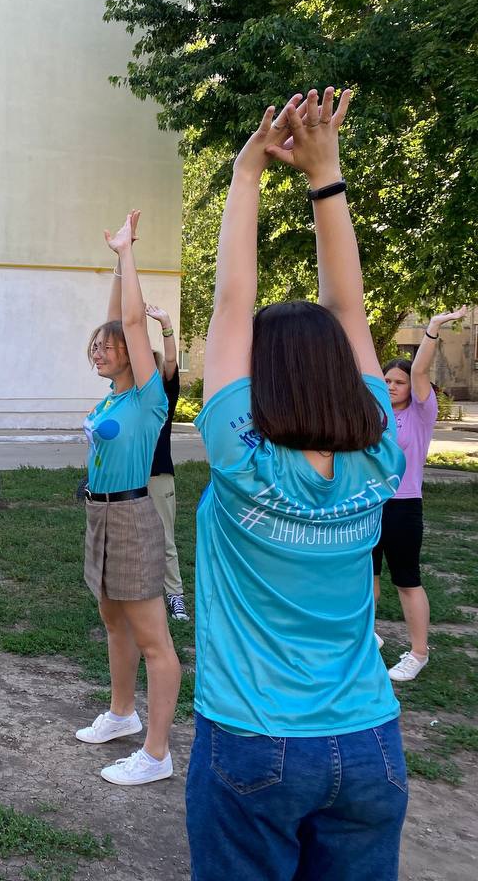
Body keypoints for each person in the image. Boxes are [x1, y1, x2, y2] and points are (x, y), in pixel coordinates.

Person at [186, 88, 408, 880]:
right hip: (370, 743)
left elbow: (231, 300)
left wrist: (247, 173)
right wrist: (327, 175)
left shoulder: (243, 460)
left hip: (256, 742)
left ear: (261, 383)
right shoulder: (381, 453)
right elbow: (348, 305)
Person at [75, 210, 181, 786]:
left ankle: (158, 753)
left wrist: (127, 253)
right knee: (112, 617)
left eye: (106, 345)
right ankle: (122, 714)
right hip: (100, 512)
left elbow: (131, 322)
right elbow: (116, 320)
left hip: (135, 515)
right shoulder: (113, 401)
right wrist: (115, 265)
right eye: (94, 344)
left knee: (153, 638)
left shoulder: (146, 397)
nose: (100, 348)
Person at [374, 307, 465, 681]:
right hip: (370, 505)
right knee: (366, 576)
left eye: (399, 381)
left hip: (404, 507)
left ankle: (418, 652)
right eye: (387, 380)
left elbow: (422, 370)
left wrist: (431, 329)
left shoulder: (421, 414)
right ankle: (366, 636)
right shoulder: (375, 414)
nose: (391, 385)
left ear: (412, 386)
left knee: (406, 581)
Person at [144, 303, 187, 621]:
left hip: (159, 476)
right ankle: (141, 596)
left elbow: (171, 360)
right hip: (128, 478)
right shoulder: (130, 399)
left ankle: (175, 597)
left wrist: (166, 325)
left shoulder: (165, 395)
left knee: (165, 539)